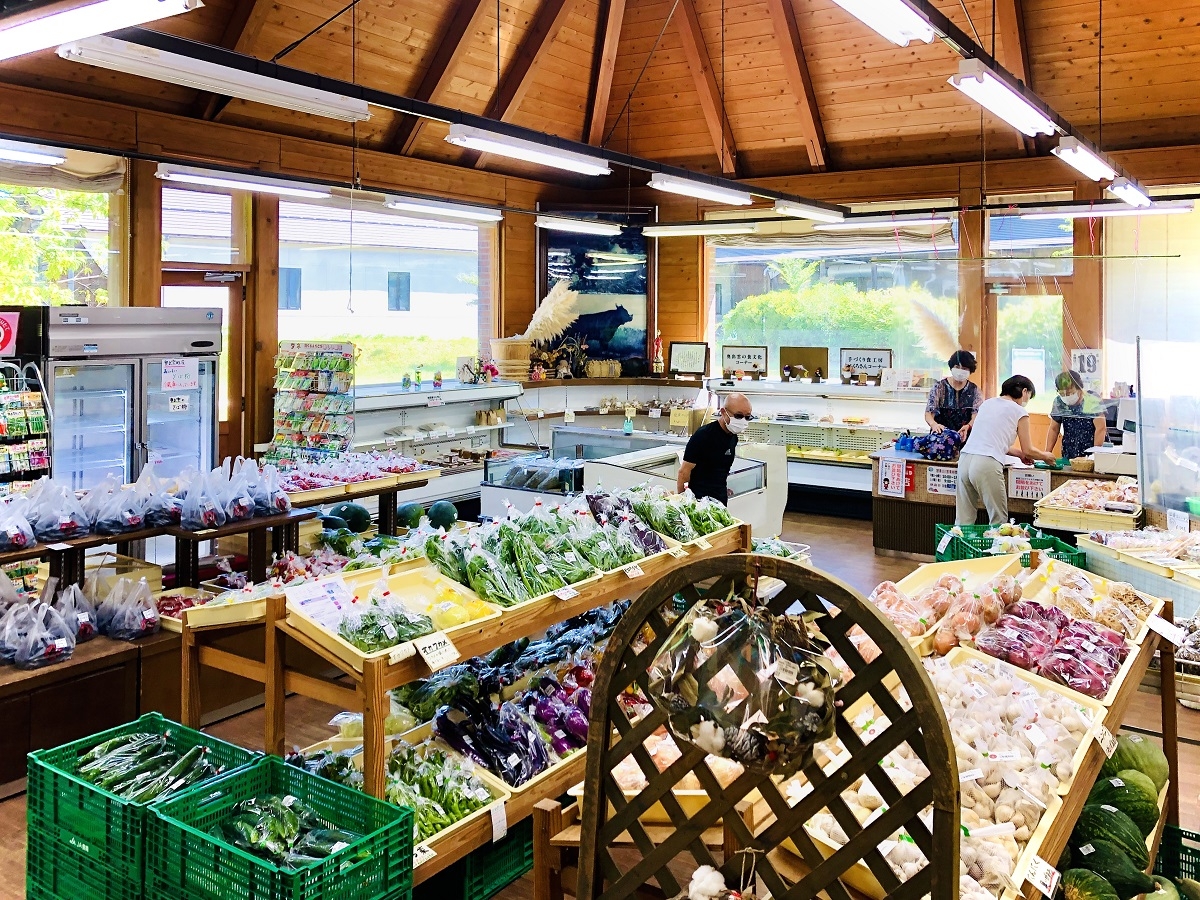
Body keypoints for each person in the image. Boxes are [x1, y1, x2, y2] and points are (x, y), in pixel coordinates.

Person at [955, 375, 1057, 525]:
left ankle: (958, 540)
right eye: (1029, 396)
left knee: (963, 520)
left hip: (965, 460)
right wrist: (1046, 456)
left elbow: (990, 440)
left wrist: (1019, 454)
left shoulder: (987, 404)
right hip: (986, 464)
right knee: (998, 520)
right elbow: (1028, 450)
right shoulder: (1019, 411)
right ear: (1024, 391)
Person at [677, 392, 753, 504]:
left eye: (747, 417)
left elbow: (720, 470)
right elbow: (683, 472)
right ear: (723, 412)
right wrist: (683, 502)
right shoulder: (703, 435)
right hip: (698, 502)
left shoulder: (733, 437)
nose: (743, 421)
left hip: (720, 501)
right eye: (738, 416)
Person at [1045, 370, 1107, 461]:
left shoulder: (1091, 399)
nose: (1066, 396)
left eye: (1070, 393)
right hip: (1070, 451)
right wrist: (1047, 453)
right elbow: (1054, 429)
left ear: (1079, 388)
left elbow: (1101, 428)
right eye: (1062, 393)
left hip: (1093, 449)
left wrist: (1095, 455)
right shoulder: (1059, 402)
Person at [925, 350, 983, 437]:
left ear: (970, 371)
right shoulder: (939, 387)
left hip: (965, 436)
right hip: (941, 436)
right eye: (957, 367)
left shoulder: (975, 390)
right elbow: (929, 413)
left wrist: (969, 426)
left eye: (964, 368)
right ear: (951, 367)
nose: (960, 371)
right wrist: (934, 425)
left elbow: (976, 415)